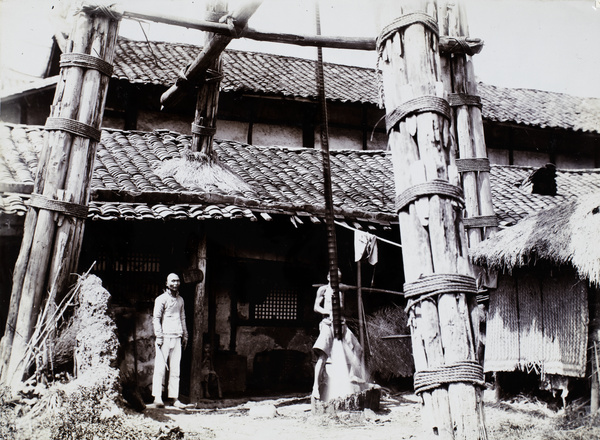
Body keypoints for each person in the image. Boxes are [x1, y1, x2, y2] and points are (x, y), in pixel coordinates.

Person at [311, 269, 364, 400]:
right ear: (328, 277)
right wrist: (328, 312)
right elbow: (316, 307)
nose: (337, 281)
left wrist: (357, 288)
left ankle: (352, 376)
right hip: (328, 323)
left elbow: (349, 288)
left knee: (358, 349)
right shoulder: (323, 290)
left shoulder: (341, 289)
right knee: (323, 356)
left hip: (341, 324)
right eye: (335, 278)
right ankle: (315, 388)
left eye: (339, 279)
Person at [152, 273, 188, 408]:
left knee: (175, 369)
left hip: (177, 336)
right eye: (172, 281)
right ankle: (157, 397)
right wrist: (159, 336)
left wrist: (185, 334)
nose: (176, 283)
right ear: (166, 283)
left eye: (178, 281)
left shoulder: (181, 300)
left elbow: (182, 318)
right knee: (160, 368)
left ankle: (174, 398)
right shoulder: (161, 299)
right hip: (164, 337)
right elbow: (156, 318)